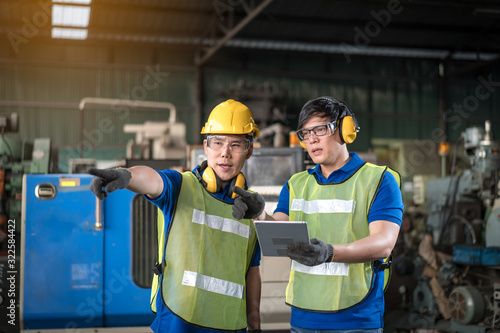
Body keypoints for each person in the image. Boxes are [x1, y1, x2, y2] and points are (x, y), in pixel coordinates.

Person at [89, 99, 265, 333]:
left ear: (249, 150)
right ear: (205, 146)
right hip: (177, 324)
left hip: (230, 326)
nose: (225, 153)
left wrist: (255, 325)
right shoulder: (180, 186)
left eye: (236, 145)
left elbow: (252, 272)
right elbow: (151, 179)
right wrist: (126, 175)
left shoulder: (250, 207)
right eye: (218, 142)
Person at [257, 96, 404, 332]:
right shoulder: (296, 184)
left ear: (345, 130)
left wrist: (330, 253)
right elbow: (280, 233)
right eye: (305, 133)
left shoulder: (378, 180)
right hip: (303, 317)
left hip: (356, 318)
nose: (311, 139)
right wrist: (259, 214)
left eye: (320, 129)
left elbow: (383, 243)